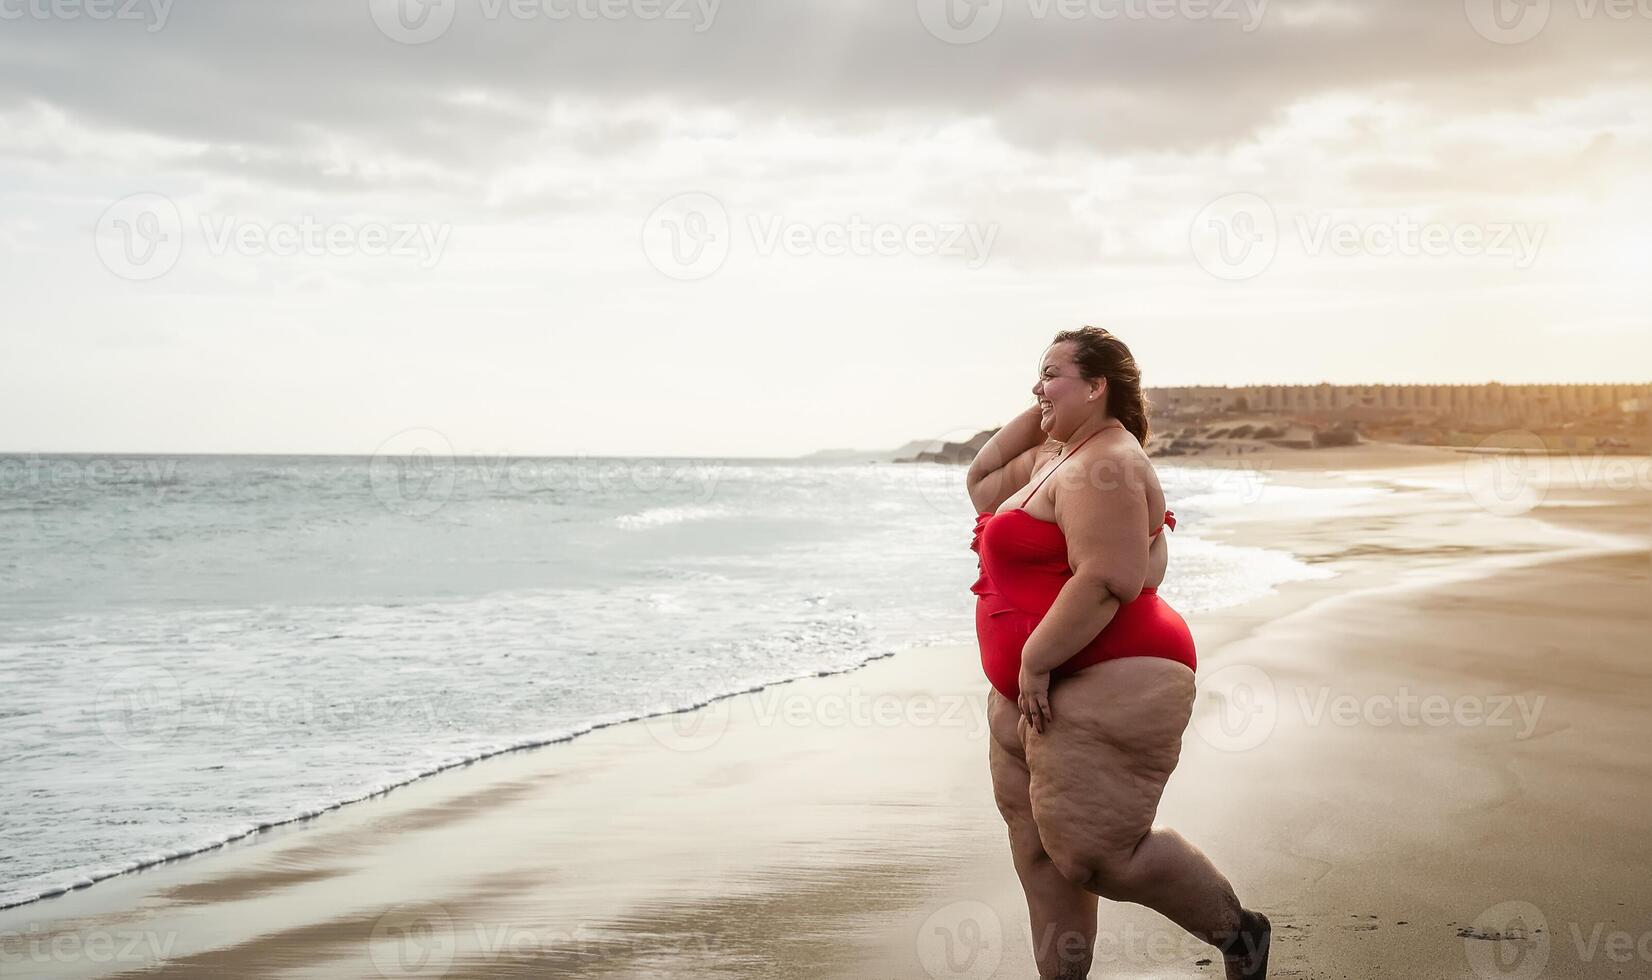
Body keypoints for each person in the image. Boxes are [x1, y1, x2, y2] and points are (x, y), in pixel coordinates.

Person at [965, 326, 1270, 980]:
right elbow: (982, 478)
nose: (1037, 386)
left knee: (1100, 858)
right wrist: (1047, 403)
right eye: (1037, 374)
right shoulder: (1056, 458)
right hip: (1033, 690)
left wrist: (1036, 662)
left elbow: (1109, 578)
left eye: (1053, 373)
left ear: (1098, 385)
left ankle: (1241, 934)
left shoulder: (1109, 462)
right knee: (1041, 859)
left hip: (1105, 677)